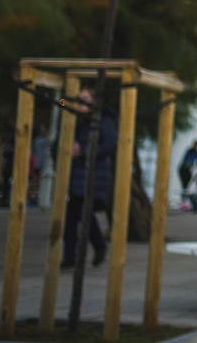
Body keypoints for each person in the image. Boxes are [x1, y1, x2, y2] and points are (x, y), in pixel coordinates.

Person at [61, 87, 116, 269]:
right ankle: (77, 253)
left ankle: (79, 253)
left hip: (93, 175)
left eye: (85, 99)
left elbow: (108, 145)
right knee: (76, 215)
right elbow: (58, 144)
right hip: (76, 175)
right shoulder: (73, 119)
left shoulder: (103, 120)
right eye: (79, 99)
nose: (80, 103)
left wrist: (84, 151)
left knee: (80, 213)